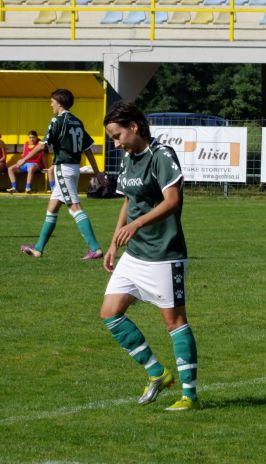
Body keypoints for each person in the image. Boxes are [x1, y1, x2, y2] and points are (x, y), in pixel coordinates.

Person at [101, 101, 200, 411]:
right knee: (110, 313)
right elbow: (128, 201)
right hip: (135, 253)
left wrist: (137, 224)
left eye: (118, 136)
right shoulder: (129, 158)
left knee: (174, 322)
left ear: (134, 127)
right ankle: (157, 373)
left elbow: (173, 200)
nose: (116, 144)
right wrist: (116, 240)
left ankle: (190, 396)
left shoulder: (162, 155)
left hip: (164, 254)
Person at [18, 89, 107, 259]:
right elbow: (87, 149)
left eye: (52, 101)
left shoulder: (57, 120)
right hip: (73, 169)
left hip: (63, 168)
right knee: (52, 209)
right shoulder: (78, 122)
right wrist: (98, 172)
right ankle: (38, 249)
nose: (50, 104)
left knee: (75, 207)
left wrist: (23, 160)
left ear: (59, 102)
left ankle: (95, 248)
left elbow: (43, 145)